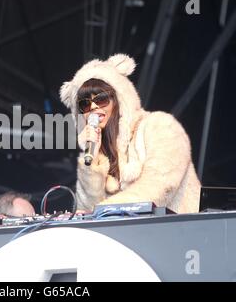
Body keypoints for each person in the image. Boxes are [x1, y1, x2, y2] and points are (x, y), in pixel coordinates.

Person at [59, 54, 201, 214]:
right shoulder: (96, 154)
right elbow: (88, 215)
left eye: (101, 99)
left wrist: (102, 211)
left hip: (181, 233)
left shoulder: (160, 125)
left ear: (119, 99)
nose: (93, 107)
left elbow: (161, 186)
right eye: (85, 103)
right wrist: (91, 162)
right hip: (126, 237)